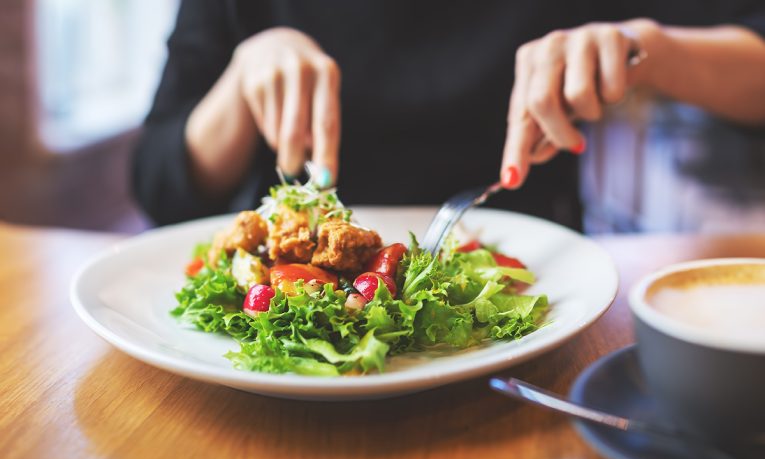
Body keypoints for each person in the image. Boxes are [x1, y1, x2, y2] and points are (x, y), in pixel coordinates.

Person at [132, 1, 765, 229]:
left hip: (527, 298)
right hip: (267, 343)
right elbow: (159, 181)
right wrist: (240, 81)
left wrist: (649, 47)